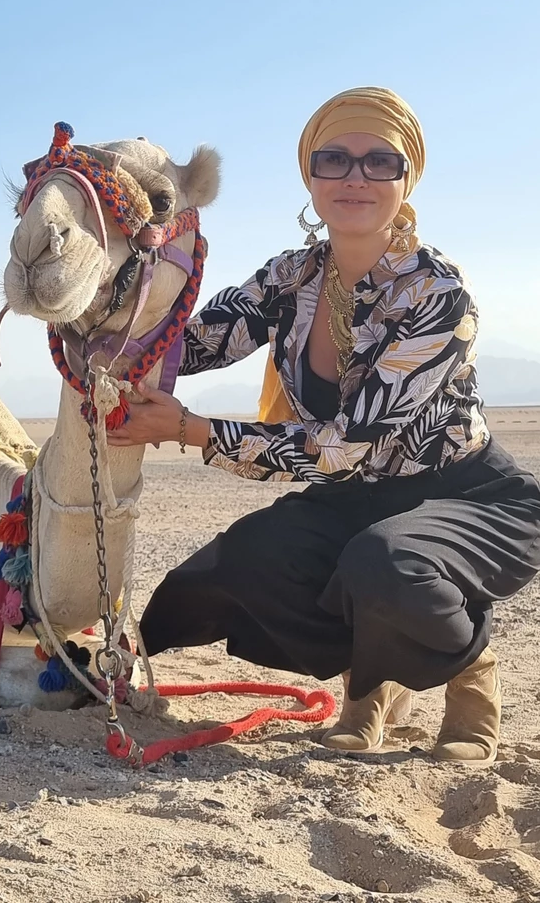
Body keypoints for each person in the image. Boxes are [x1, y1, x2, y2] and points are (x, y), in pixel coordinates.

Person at [108, 87, 540, 766]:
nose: (354, 177)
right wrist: (108, 307)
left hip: (464, 495)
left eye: (379, 162)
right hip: (357, 496)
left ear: (407, 177)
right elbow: (190, 345)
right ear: (308, 176)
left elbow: (346, 444)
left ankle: (468, 673)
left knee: (386, 562)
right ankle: (374, 682)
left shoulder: (437, 294)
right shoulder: (290, 275)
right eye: (333, 159)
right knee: (241, 567)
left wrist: (190, 429)